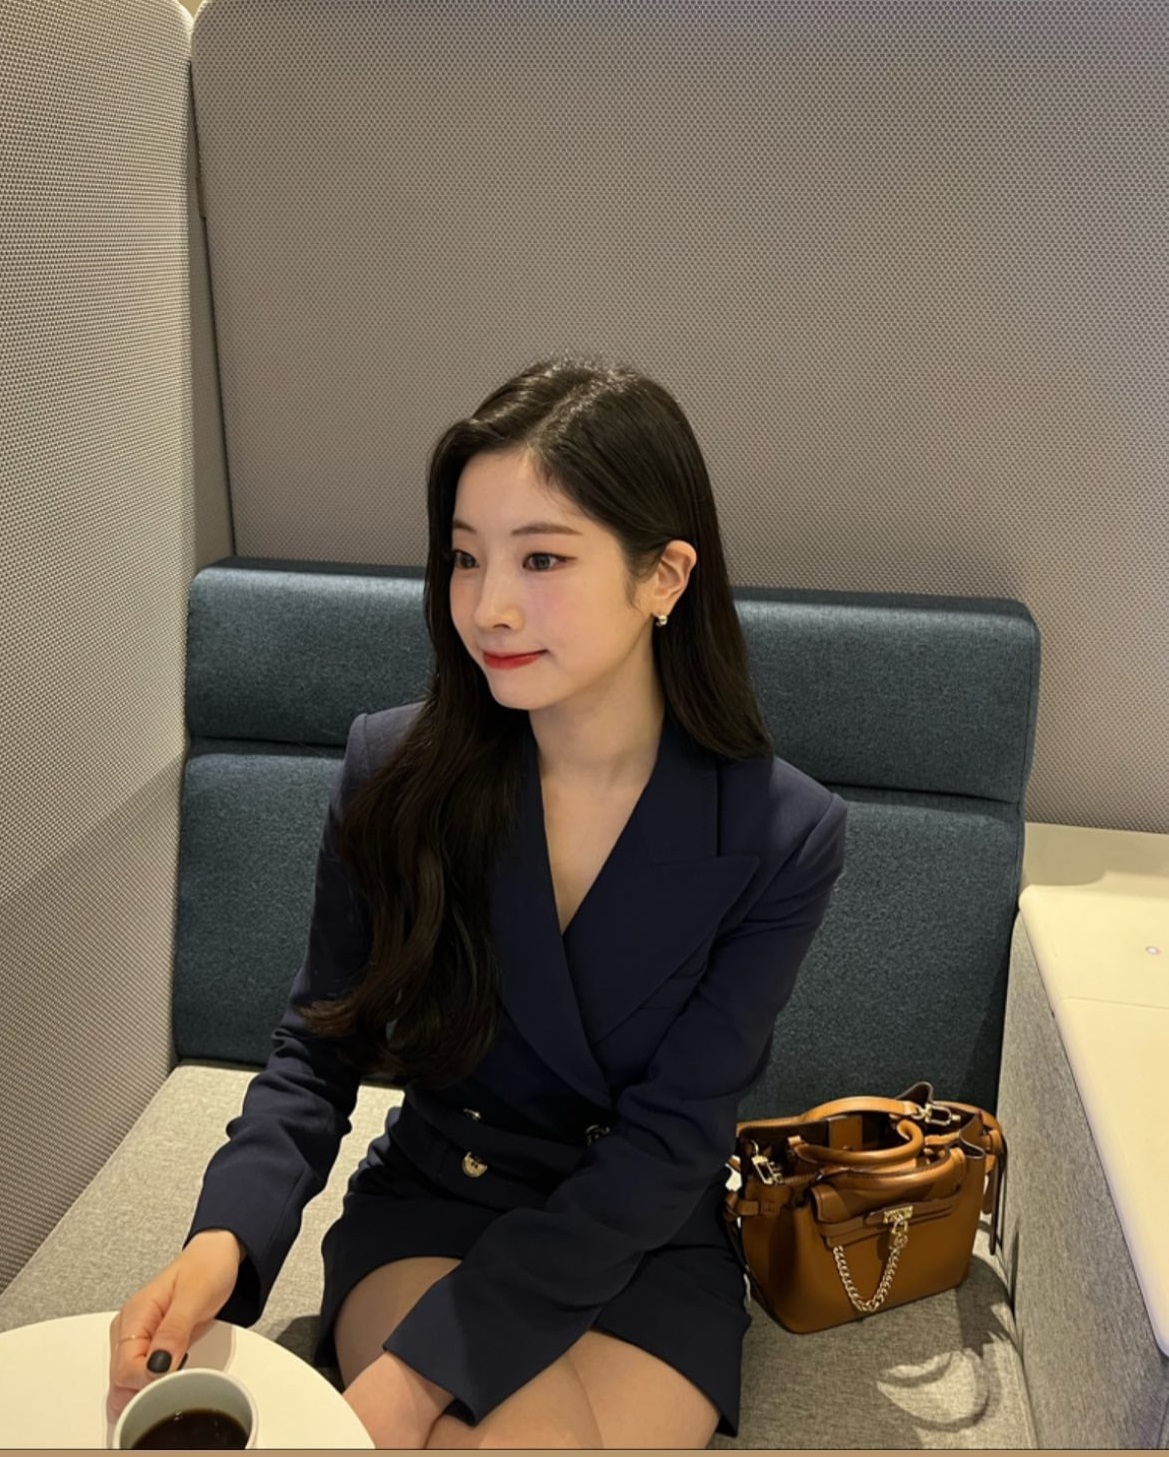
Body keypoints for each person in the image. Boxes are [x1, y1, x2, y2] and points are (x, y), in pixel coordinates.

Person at [106, 356, 848, 1448]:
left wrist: (415, 1380)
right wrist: (226, 1236)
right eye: (464, 557)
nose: (487, 606)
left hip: (638, 1233)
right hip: (439, 1204)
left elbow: (670, 1140)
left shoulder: (781, 832)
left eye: (540, 556)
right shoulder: (394, 770)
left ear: (664, 576)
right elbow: (318, 1049)